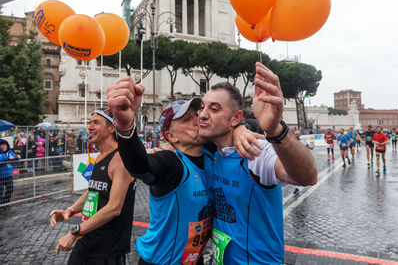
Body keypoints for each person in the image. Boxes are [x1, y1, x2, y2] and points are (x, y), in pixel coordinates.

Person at [107, 77, 263, 265]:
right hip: (160, 262)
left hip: (193, 260)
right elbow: (140, 167)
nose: (198, 120)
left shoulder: (211, 153)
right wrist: (125, 127)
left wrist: (240, 128)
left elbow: (253, 126)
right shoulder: (170, 161)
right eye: (188, 119)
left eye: (197, 114)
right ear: (171, 136)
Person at [198, 63, 317, 264]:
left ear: (235, 118)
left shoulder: (256, 152)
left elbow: (307, 177)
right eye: (202, 107)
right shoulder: (208, 151)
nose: (202, 114)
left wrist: (276, 131)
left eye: (214, 108)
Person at [49, 108, 136, 264]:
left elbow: (114, 208)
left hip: (107, 250)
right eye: (90, 122)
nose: (89, 127)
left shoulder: (121, 159)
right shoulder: (100, 157)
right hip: (87, 240)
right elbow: (93, 192)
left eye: (96, 123)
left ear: (111, 128)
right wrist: (70, 211)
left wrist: (75, 232)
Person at [0, 139, 20, 209]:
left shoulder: (10, 151)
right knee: (0, 190)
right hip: (1, 175)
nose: (3, 146)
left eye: (4, 145)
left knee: (10, 189)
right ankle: (2, 203)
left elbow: (14, 157)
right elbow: (0, 158)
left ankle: (5, 202)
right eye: (1, 145)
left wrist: (18, 157)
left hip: (9, 174)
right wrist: (7, 158)